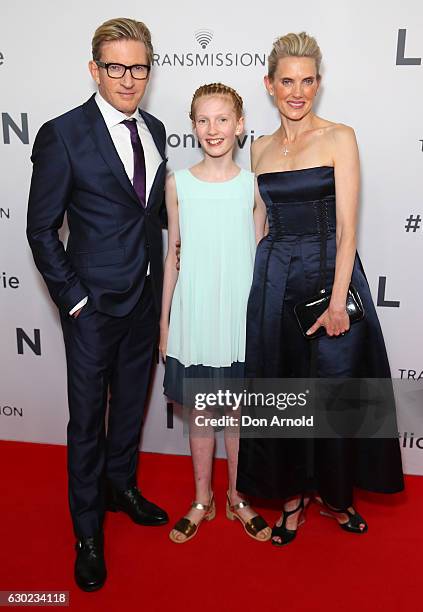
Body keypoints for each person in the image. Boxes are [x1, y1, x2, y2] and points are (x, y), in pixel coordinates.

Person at [236, 32, 404, 546]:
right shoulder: (260, 148)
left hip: (330, 273)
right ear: (269, 84)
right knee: (282, 389)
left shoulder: (339, 137)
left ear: (318, 84)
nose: (297, 91)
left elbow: (349, 228)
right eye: (287, 80)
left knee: (334, 391)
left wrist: (338, 302)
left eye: (307, 81)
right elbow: (259, 224)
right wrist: (255, 292)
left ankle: (335, 495)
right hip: (275, 278)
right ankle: (290, 500)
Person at [27, 18, 168, 591]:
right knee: (87, 421)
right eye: (116, 67)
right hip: (91, 307)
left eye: (138, 67)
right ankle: (87, 532)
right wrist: (74, 299)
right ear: (94, 69)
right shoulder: (63, 134)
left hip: (144, 300)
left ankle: (122, 486)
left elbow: (150, 216)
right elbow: (40, 231)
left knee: (131, 404)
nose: (128, 79)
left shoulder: (155, 128)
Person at [159, 83, 271, 544]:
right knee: (204, 413)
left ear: (240, 125)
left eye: (222, 119)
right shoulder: (177, 184)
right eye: (202, 120)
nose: (213, 129)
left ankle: (238, 497)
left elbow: (261, 254)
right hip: (195, 315)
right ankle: (202, 498)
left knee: (239, 416)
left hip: (241, 317)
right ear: (193, 128)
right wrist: (165, 324)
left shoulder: (254, 186)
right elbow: (172, 257)